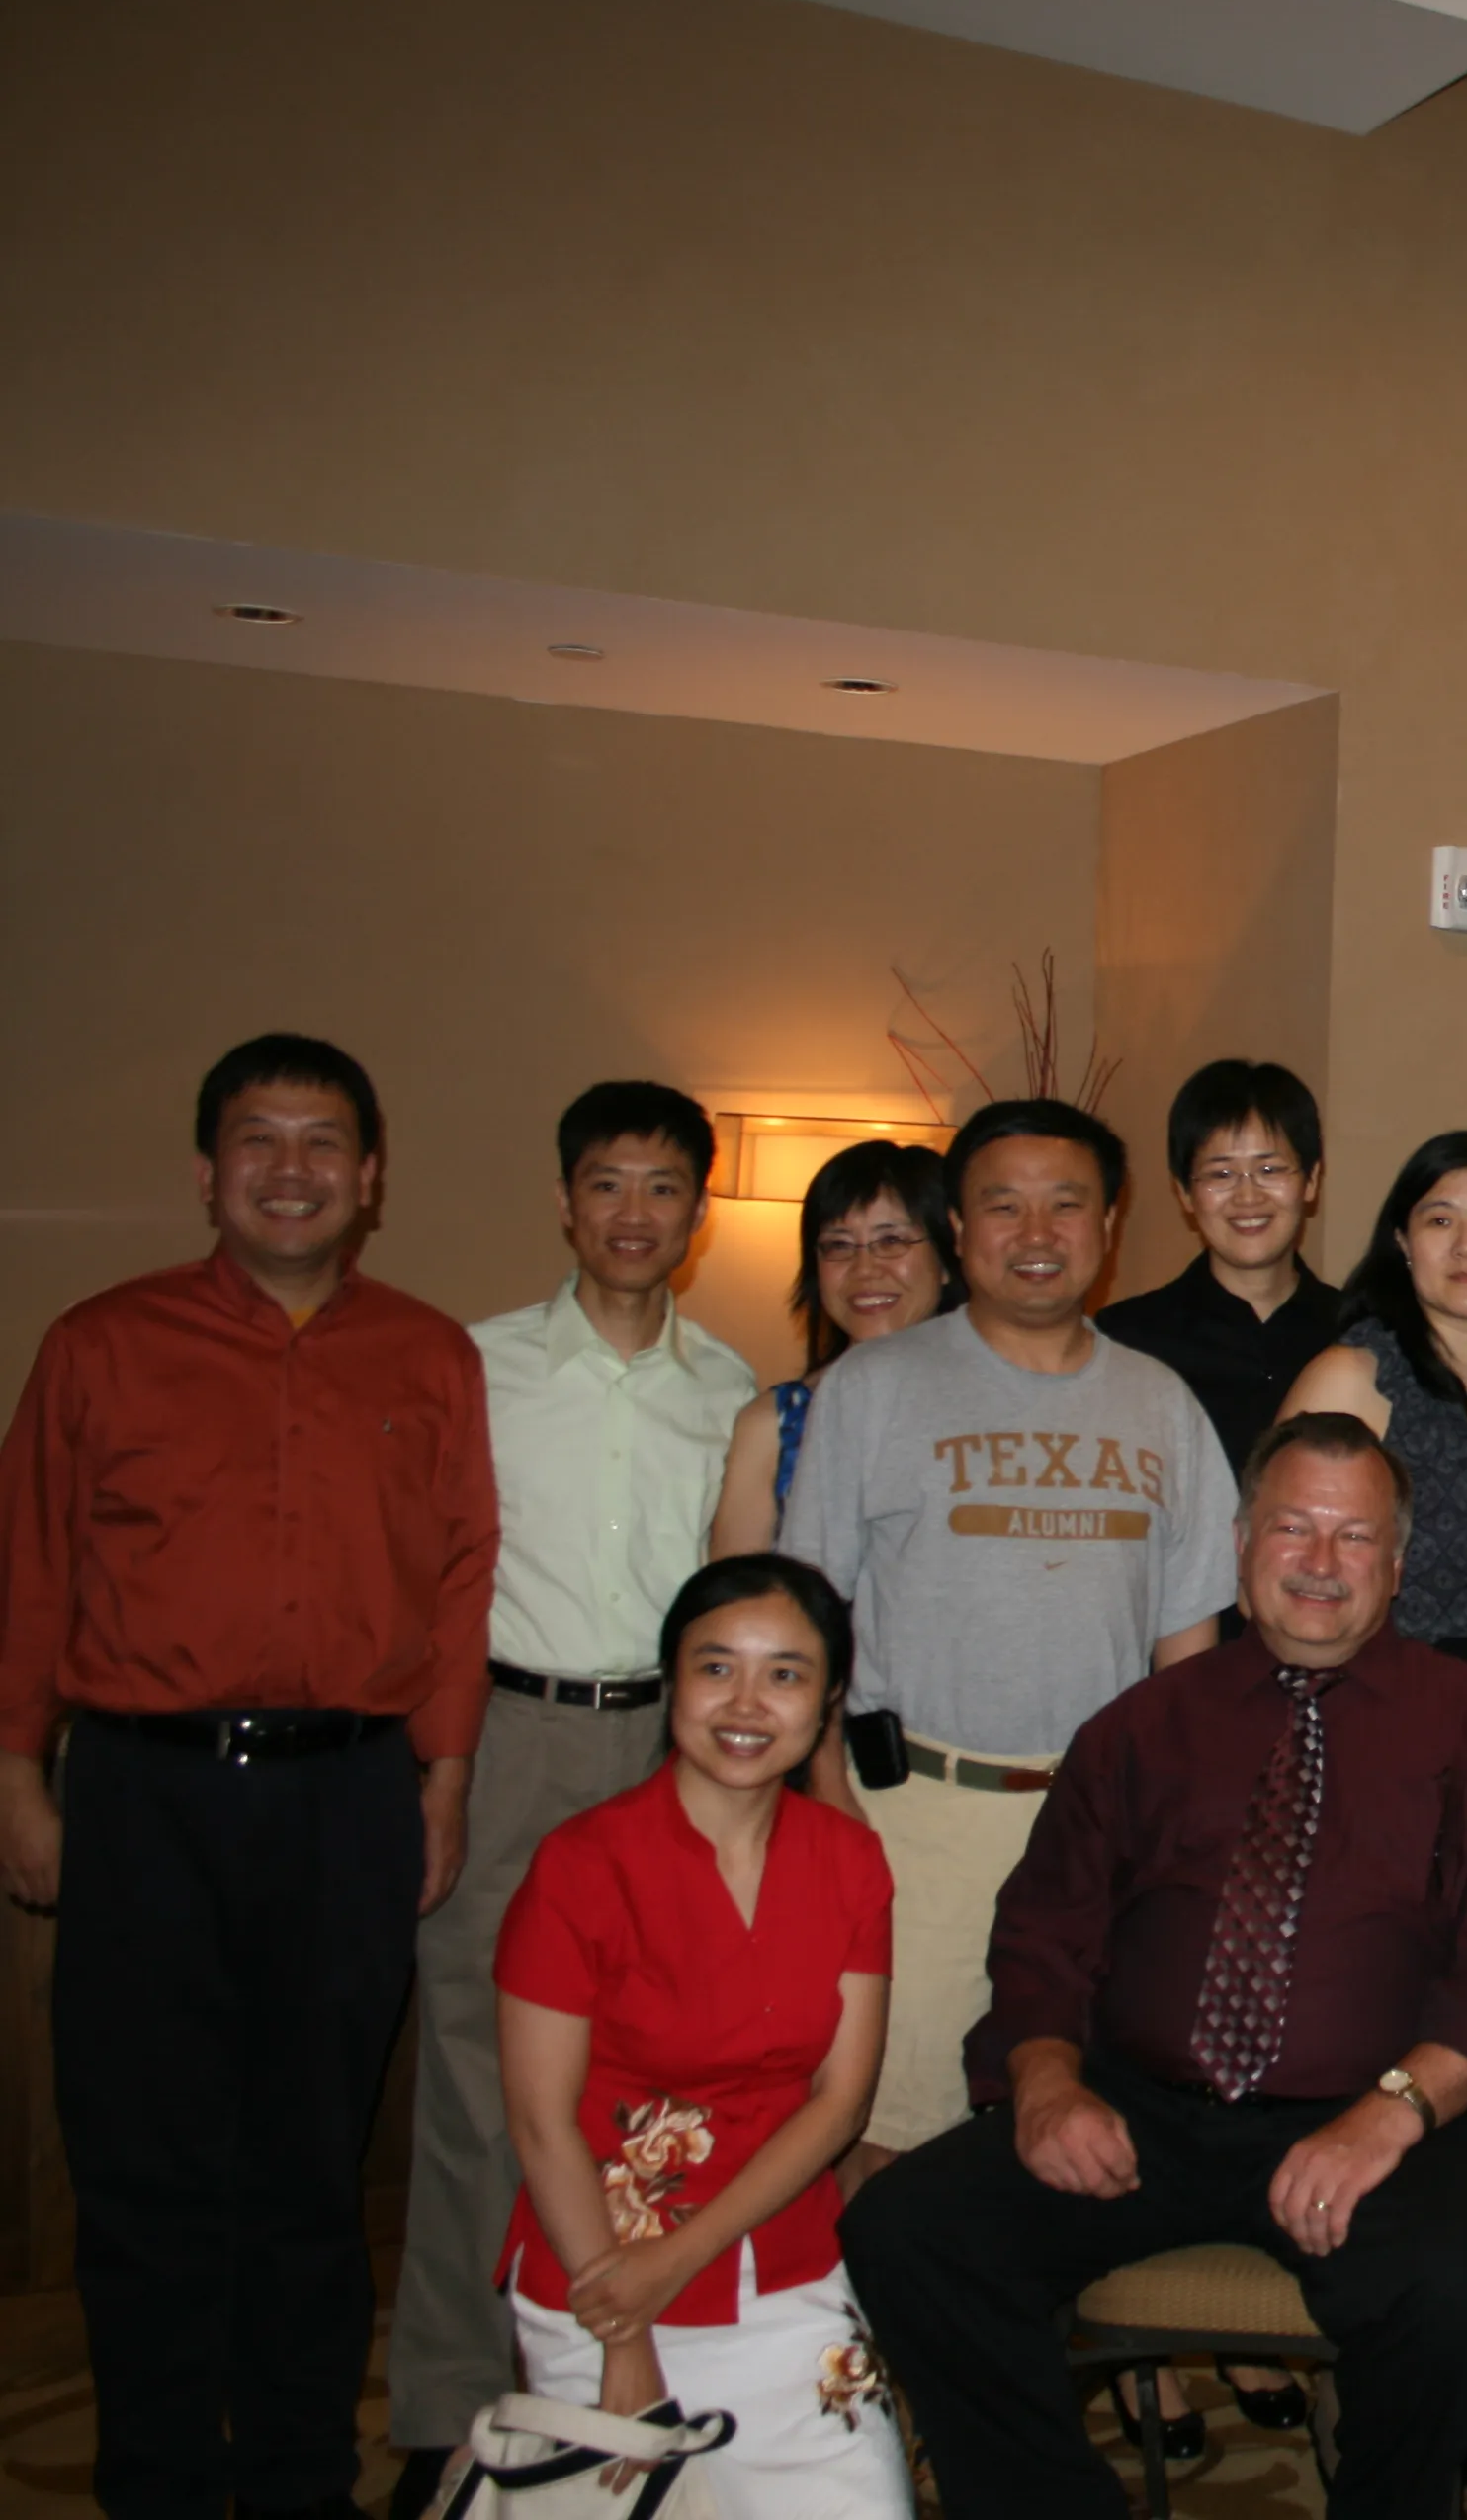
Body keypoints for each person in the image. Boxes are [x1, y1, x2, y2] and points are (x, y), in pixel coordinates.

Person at [841, 1411, 1467, 2520]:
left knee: (1462, 2298)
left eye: (1355, 1536)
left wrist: (1393, 2112)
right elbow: (1043, 1930)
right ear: (1240, 1544)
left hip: (1384, 2115)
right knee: (907, 2233)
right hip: (1144, 2112)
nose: (1320, 1561)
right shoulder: (1138, 1728)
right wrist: (1044, 2082)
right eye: (1292, 1527)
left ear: (1397, 1564)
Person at [0, 1034, 495, 2520]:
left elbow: (460, 1577)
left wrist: (445, 1778)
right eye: (259, 1141)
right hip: (144, 1795)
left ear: (371, 1176)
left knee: (309, 2162)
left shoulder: (428, 1355)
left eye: (322, 1142)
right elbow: (30, 1567)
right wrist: (16, 1775)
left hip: (349, 1798)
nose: (292, 1170)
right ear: (208, 1172)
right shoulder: (101, 1343)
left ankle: (295, 2477)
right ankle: (155, 2478)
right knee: (143, 2164)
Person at [391, 1082, 762, 2510]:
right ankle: (442, 2409)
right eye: (608, 1183)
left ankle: (620, 2384)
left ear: (698, 1213)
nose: (633, 1213)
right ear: (564, 1201)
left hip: (671, 1752)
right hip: (510, 1738)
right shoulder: (471, 1367)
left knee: (649, 2083)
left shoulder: (730, 1391)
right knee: (477, 2086)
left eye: (664, 1187)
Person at [777, 1096, 1240, 2175]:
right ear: (957, 1228)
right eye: (1003, 1205)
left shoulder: (1161, 1403)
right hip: (917, 1820)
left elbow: (1187, 1651)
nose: (1037, 1233)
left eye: (1065, 1204)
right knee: (887, 2133)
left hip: (1102, 1832)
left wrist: (1176, 1836)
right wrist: (833, 1807)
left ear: (1109, 1224)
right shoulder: (873, 1390)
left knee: (1081, 2129)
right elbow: (806, 1622)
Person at [492, 1554, 908, 2518]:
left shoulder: (849, 1859)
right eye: (716, 1667)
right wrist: (626, 2335)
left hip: (785, 2271)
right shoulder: (581, 1865)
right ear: (671, 1679)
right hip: (598, 2273)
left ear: (828, 1701)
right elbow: (541, 2121)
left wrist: (678, 2261)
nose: (746, 1704)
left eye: (785, 1674)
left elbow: (840, 2102)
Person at [1281, 1128, 1467, 1719]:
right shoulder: (1355, 1379)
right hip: (1378, 1710)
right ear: (1403, 1241)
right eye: (1440, 1221)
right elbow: (1273, 1574)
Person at [1097, 1058, 1347, 1478]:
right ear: (1184, 1192)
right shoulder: (1125, 1341)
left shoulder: (1359, 1332)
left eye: (1269, 1170)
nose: (1247, 1196)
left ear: (1311, 1180)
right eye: (1221, 1173)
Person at [707, 1140, 958, 1558]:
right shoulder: (774, 1423)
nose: (865, 1269)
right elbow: (737, 1588)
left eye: (891, 1240)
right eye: (839, 1246)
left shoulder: (992, 1408)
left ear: (948, 1259)